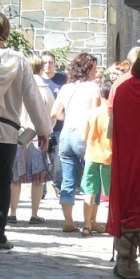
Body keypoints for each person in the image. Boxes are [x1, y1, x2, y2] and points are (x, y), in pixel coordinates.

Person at [0, 12, 52, 250]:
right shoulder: (19, 61)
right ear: (7, 31)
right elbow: (32, 97)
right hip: (8, 132)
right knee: (1, 182)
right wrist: (42, 130)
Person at [106, 51, 140, 279]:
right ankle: (127, 263)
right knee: (139, 202)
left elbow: (111, 126)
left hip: (123, 153)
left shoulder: (122, 85)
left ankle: (123, 260)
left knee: (126, 199)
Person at [50, 52, 100, 233]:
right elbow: (95, 114)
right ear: (88, 69)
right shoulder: (93, 88)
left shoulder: (66, 87)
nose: (96, 70)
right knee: (92, 178)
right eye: (94, 67)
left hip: (66, 134)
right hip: (84, 135)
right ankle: (90, 220)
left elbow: (54, 113)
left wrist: (68, 116)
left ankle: (69, 222)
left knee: (68, 180)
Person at [8, 55, 55, 225]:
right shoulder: (44, 88)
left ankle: (12, 212)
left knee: (16, 177)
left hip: (19, 134)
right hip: (37, 136)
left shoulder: (18, 84)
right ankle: (34, 214)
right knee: (37, 178)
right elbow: (50, 113)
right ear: (41, 68)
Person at [80, 80, 112, 237]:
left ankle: (86, 225)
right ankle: (113, 223)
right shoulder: (114, 113)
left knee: (90, 191)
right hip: (109, 157)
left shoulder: (92, 113)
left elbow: (84, 136)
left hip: (92, 155)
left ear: (101, 94)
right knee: (112, 193)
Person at [41, 51, 68, 197]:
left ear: (54, 63)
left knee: (58, 157)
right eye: (45, 62)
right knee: (41, 157)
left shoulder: (62, 79)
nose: (47, 65)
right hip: (42, 125)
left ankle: (57, 185)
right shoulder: (37, 80)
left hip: (59, 125)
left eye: (50, 62)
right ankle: (41, 189)